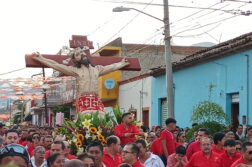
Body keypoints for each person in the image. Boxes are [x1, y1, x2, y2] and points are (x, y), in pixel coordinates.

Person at [31, 50, 129, 98]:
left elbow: (111, 67)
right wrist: (40, 58)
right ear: (75, 59)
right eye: (78, 54)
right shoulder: (74, 70)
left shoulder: (97, 69)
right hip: (83, 99)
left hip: (95, 99)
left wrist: (122, 63)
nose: (82, 55)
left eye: (83, 53)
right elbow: (55, 65)